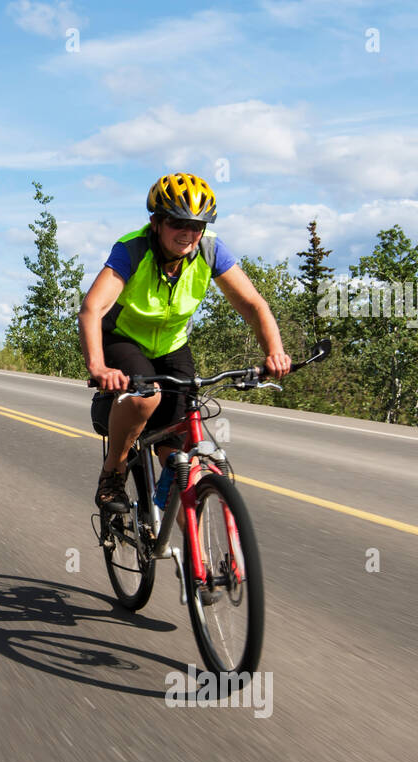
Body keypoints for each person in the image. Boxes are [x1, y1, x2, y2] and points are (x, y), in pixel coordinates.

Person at [78, 172, 291, 513]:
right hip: (122, 338)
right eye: (178, 223)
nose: (188, 233)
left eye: (197, 225)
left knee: (179, 459)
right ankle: (113, 473)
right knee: (145, 398)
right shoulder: (132, 249)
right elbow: (93, 308)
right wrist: (98, 366)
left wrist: (274, 352)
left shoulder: (210, 250)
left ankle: (198, 563)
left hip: (172, 346)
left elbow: (252, 305)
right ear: (156, 223)